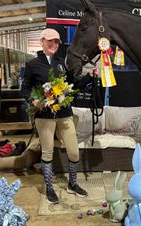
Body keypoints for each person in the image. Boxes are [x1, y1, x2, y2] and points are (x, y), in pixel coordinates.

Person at [21, 28, 97, 204]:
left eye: (56, 41)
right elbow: (25, 88)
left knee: (73, 151)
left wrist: (90, 76)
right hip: (44, 116)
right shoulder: (33, 65)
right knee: (47, 152)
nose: (54, 44)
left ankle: (72, 183)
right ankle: (49, 187)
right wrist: (33, 101)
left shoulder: (62, 63)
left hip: (64, 114)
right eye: (50, 41)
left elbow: (74, 84)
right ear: (42, 42)